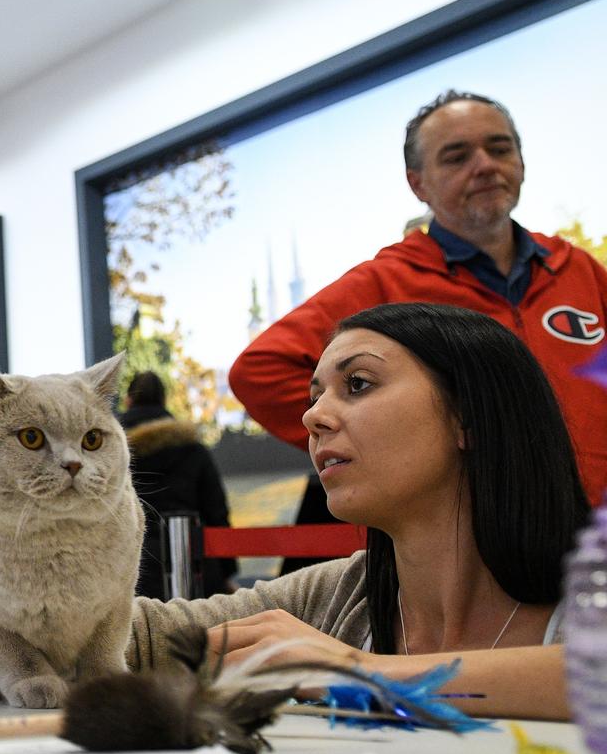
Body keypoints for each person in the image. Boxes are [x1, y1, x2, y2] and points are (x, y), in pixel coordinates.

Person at [131, 303, 591, 720]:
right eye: (315, 396)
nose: (313, 417)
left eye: (358, 384)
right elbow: (141, 638)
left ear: (468, 415)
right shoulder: (333, 596)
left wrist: (362, 673)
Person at [230, 90, 607, 504]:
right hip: (479, 540)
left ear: (521, 162)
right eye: (456, 157)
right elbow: (260, 372)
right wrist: (379, 450)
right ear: (418, 184)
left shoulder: (577, 268)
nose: (484, 165)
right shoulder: (385, 285)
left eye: (499, 148)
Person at [118, 371, 233, 598]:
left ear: (128, 400)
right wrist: (226, 573)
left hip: (132, 571)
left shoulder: (113, 452)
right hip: (193, 568)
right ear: (164, 401)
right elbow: (216, 512)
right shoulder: (194, 449)